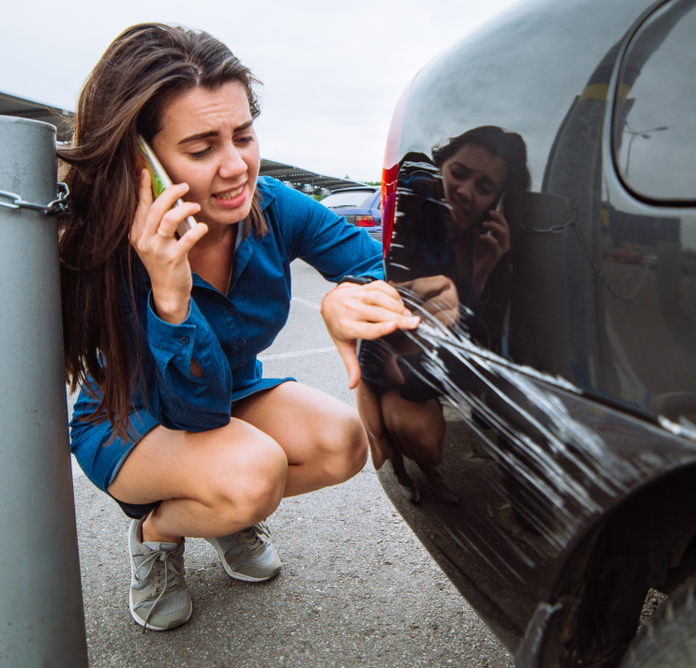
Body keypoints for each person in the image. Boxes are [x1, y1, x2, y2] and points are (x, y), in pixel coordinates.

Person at [58, 23, 419, 631]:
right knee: (249, 476)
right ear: (141, 161)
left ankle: (218, 509)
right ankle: (156, 534)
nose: (236, 168)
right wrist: (171, 300)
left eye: (244, 136)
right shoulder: (106, 249)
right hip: (130, 417)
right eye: (201, 149)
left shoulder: (274, 205)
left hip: (229, 394)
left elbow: (376, 264)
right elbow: (192, 412)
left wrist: (347, 295)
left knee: (343, 442)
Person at [357, 127, 530, 504]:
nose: (466, 191)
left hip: (428, 365)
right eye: (458, 173)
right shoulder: (414, 213)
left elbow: (472, 342)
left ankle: (426, 466)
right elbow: (413, 330)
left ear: (497, 201)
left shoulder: (490, 245)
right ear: (441, 167)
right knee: (423, 436)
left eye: (484, 187)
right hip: (393, 361)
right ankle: (402, 462)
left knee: (435, 431)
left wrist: (482, 274)